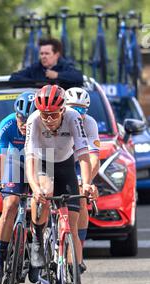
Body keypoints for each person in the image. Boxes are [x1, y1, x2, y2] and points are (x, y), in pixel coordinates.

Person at [25, 84, 95, 284]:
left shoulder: (74, 117)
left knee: (71, 227)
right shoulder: (34, 120)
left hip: (65, 164)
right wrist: (35, 188)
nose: (50, 119)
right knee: (44, 192)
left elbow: (84, 153)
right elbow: (31, 159)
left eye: (54, 115)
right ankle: (37, 238)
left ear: (63, 110)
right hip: (44, 163)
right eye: (46, 115)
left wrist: (86, 183)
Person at [0, 91, 36, 284]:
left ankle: (38, 256)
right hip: (14, 163)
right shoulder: (7, 124)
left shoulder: (42, 126)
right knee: (10, 205)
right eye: (20, 117)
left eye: (28, 119)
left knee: (41, 206)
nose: (23, 123)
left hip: (41, 162)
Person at [65, 87, 100, 270]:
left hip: (79, 162)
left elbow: (94, 159)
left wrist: (85, 182)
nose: (78, 114)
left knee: (80, 200)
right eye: (73, 109)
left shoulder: (90, 123)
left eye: (82, 110)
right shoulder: (58, 120)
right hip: (58, 161)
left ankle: (79, 249)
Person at [10, 38, 83, 88]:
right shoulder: (35, 68)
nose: (43, 57)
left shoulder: (65, 66)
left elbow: (78, 78)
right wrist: (36, 83)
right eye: (41, 54)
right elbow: (13, 78)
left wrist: (57, 75)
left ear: (56, 55)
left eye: (47, 53)